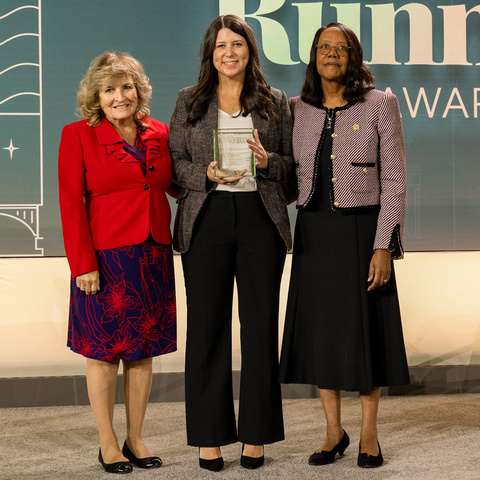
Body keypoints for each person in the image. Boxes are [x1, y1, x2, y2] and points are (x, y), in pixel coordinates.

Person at [169, 14, 296, 472]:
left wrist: (269, 162)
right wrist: (202, 174)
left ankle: (257, 436)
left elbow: (290, 166)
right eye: (221, 45)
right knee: (206, 328)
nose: (229, 53)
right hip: (207, 217)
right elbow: (174, 163)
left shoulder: (274, 100)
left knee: (261, 328)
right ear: (210, 52)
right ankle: (209, 437)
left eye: (237, 45)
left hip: (260, 219)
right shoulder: (189, 99)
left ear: (249, 51)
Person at [279, 23, 409, 469]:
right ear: (313, 56)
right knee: (322, 334)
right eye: (323, 48)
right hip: (314, 233)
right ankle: (333, 432)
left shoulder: (380, 103)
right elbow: (288, 176)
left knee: (365, 333)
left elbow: (394, 179)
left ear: (354, 56)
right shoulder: (297, 108)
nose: (331, 54)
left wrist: (383, 247)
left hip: (362, 232)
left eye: (341, 48)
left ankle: (369, 433)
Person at [58, 52, 177, 474]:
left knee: (143, 352)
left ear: (139, 90)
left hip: (153, 254)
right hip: (104, 260)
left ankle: (136, 437)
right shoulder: (78, 135)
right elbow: (71, 204)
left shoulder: (160, 132)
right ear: (96, 96)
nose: (119, 96)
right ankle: (108, 442)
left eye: (126, 87)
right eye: (109, 89)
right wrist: (81, 265)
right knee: (104, 352)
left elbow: (175, 184)